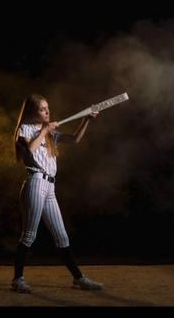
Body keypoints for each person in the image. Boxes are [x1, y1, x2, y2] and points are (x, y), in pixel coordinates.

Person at [11, 93, 104, 293]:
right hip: (35, 182)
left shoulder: (50, 134)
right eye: (42, 109)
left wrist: (85, 120)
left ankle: (78, 279)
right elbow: (29, 153)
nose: (47, 111)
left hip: (50, 187)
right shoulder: (24, 129)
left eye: (48, 108)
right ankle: (18, 279)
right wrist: (44, 130)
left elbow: (74, 139)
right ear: (32, 112)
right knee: (29, 235)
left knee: (62, 237)